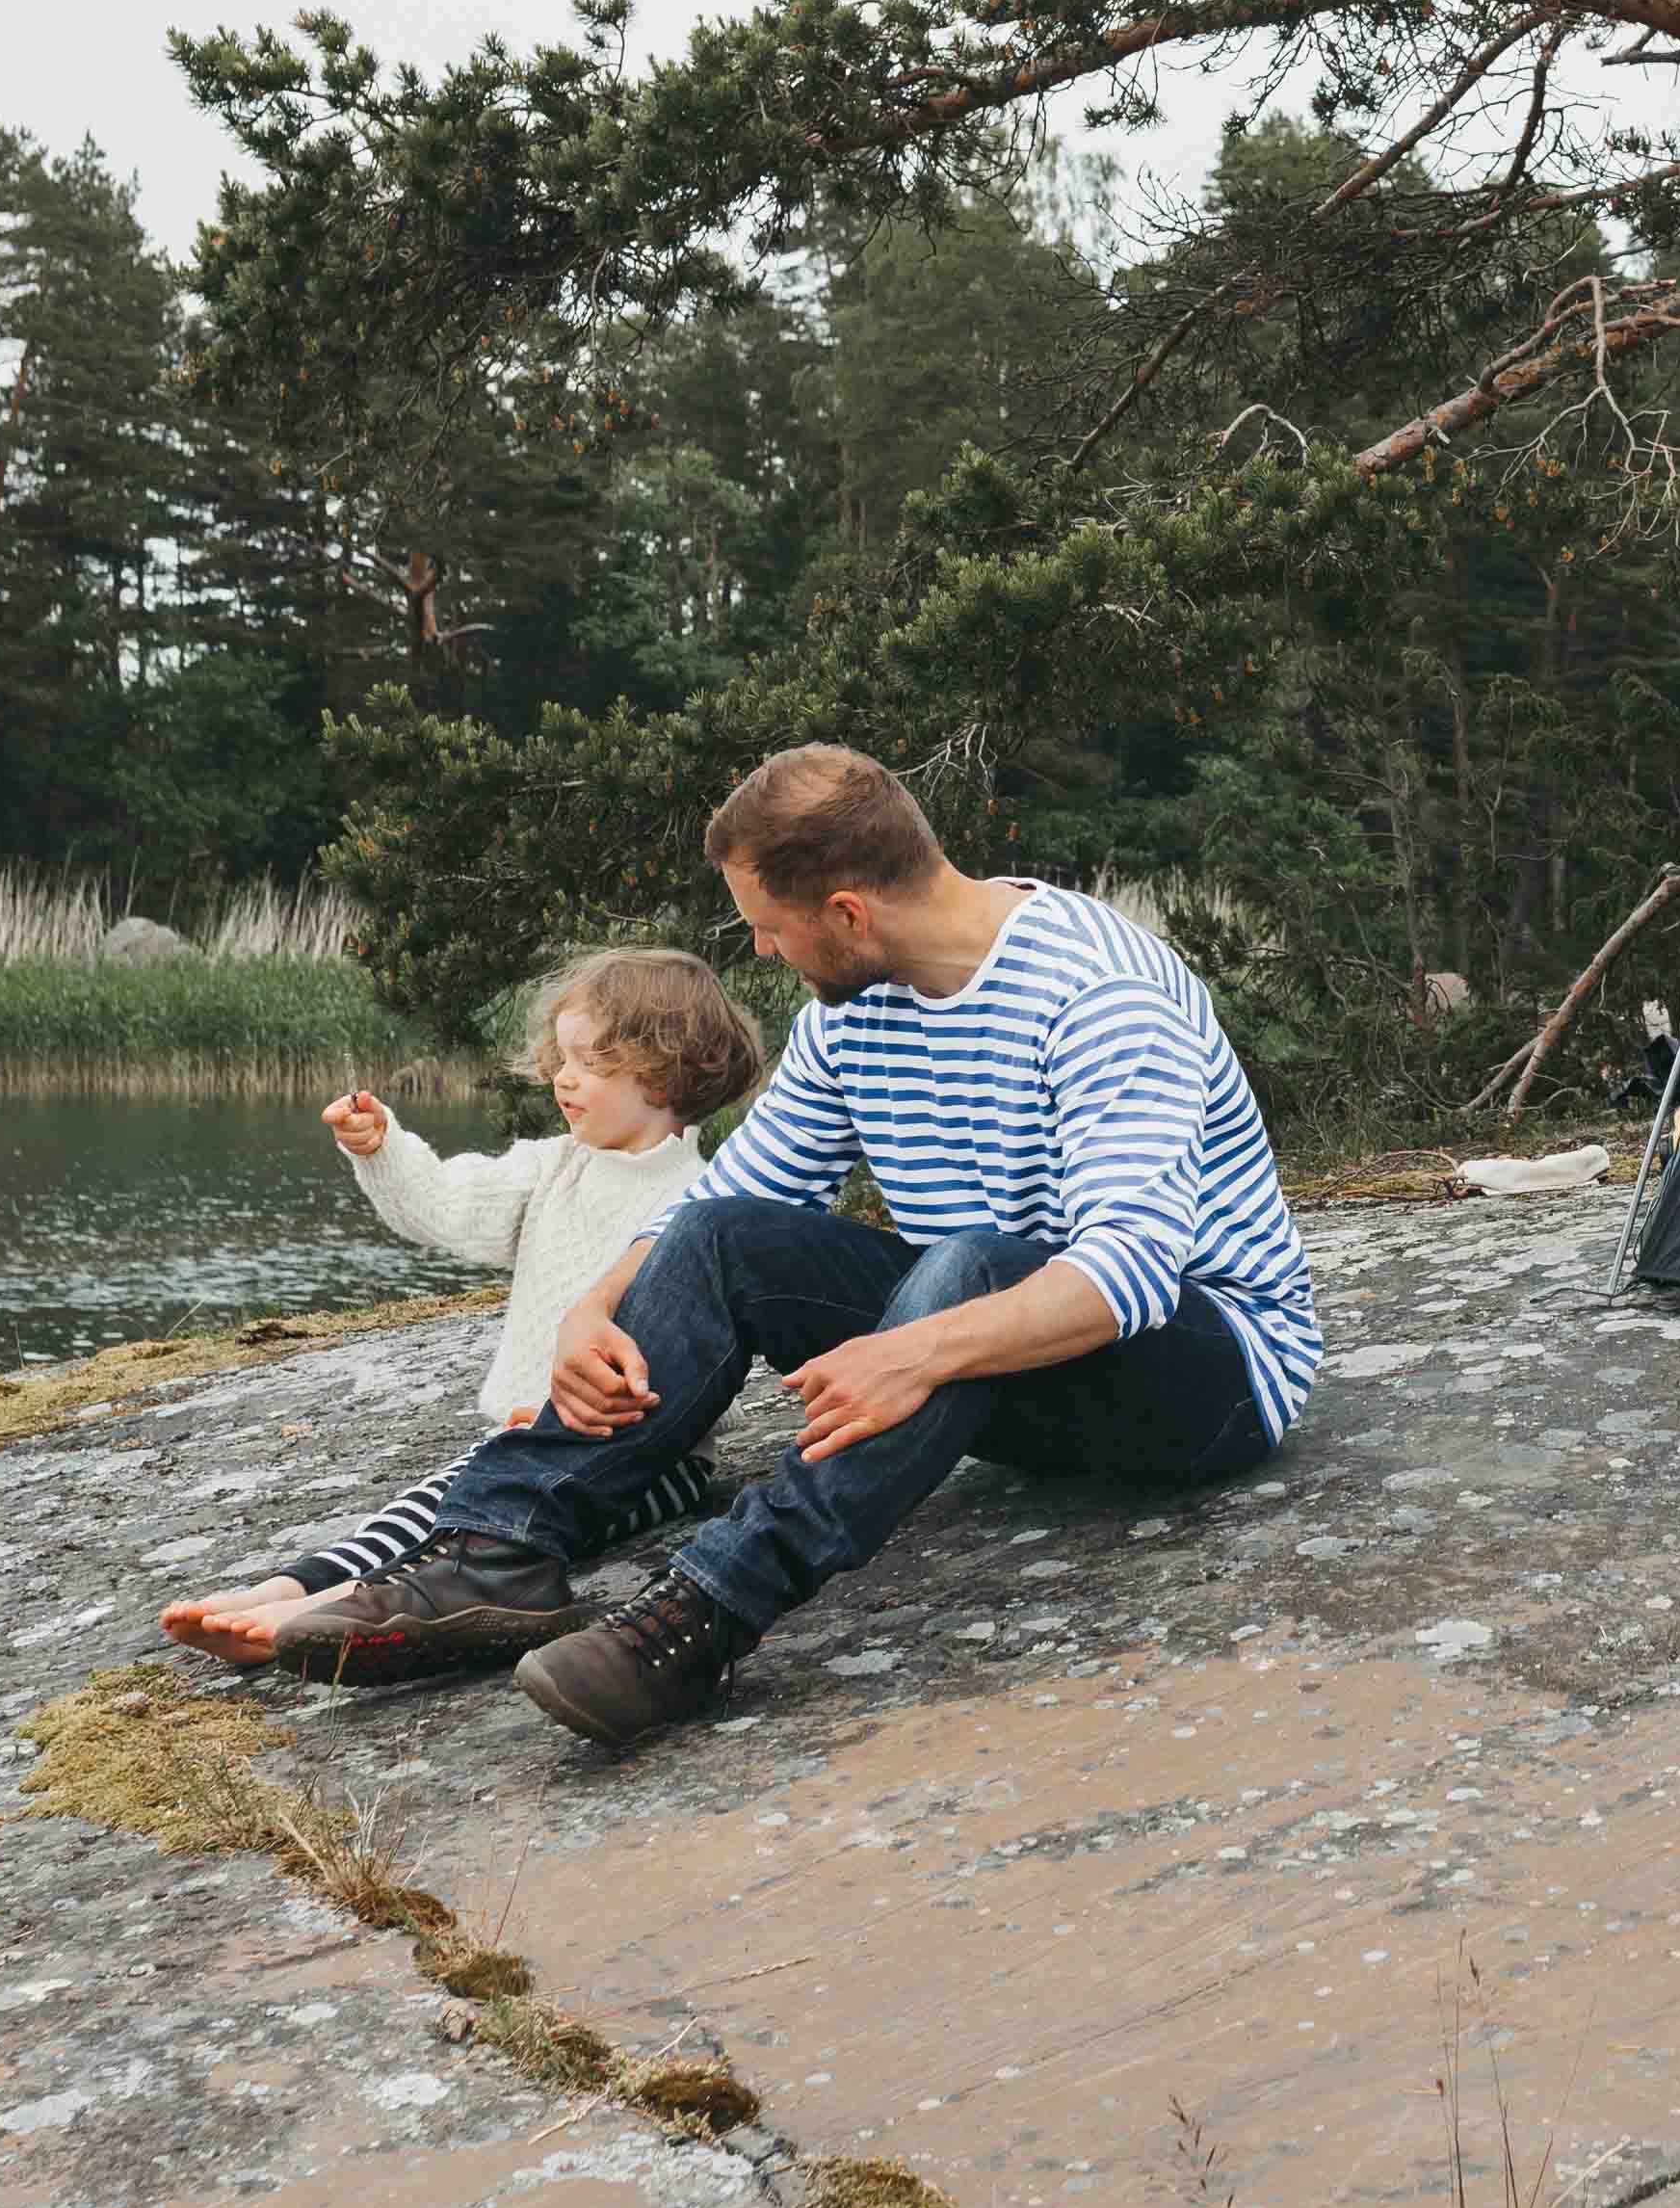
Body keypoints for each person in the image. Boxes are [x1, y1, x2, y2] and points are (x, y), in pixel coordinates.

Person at [269, 742, 1324, 1746]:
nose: (762, 952)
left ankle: (705, 1613)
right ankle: (494, 1552)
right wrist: (594, 1306)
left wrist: (908, 1350)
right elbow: (737, 1192)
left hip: (1203, 1375)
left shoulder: (1100, 996)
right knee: (727, 1236)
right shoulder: (855, 1009)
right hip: (989, 1364)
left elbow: (1126, 1275)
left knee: (965, 1267)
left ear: (850, 911)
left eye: (768, 927)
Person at [160, 949, 770, 1671]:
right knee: (449, 1498)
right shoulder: (552, 1168)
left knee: (487, 1509)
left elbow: (688, 1355)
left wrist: (562, 1416)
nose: (561, 1078)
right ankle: (293, 1585)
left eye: (588, 1063)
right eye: (560, 1058)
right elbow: (447, 1204)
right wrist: (384, 1148)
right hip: (533, 1438)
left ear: (666, 1071)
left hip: (654, 1460)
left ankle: (327, 1608)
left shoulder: (701, 1203)